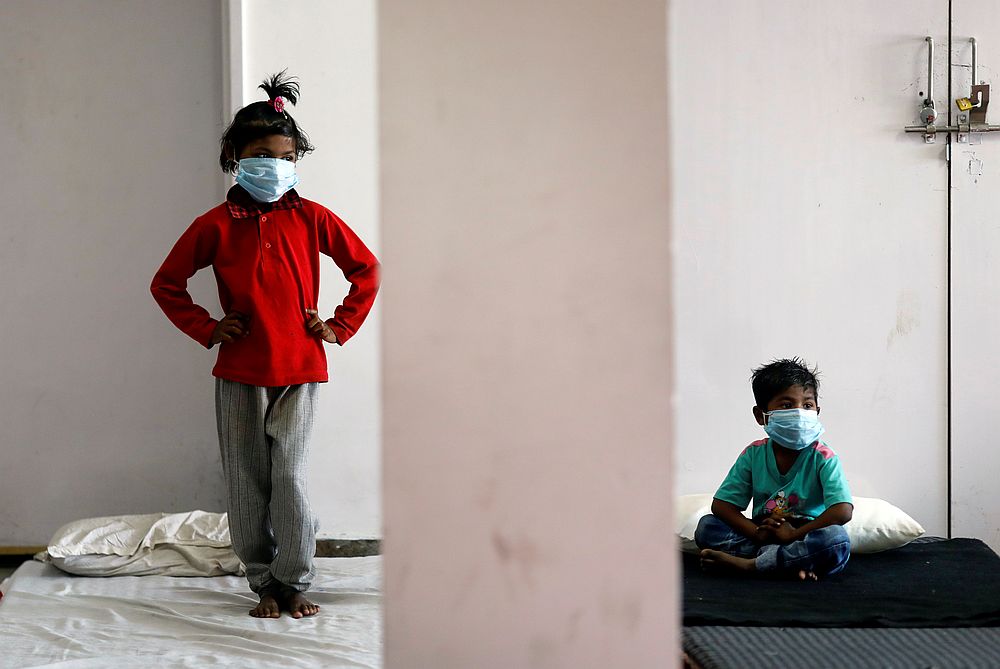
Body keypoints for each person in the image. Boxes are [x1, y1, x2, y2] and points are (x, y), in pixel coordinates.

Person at [151, 71, 380, 618]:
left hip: (301, 368)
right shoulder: (214, 225)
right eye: (261, 155)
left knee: (290, 477)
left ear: (297, 159)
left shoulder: (313, 218)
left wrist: (339, 325)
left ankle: (294, 579)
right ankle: (262, 582)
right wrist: (209, 327)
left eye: (285, 157)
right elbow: (167, 283)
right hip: (238, 373)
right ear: (235, 156)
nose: (274, 166)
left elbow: (366, 270)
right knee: (246, 482)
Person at [695, 358, 853, 580]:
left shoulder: (824, 456)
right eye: (787, 405)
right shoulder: (754, 454)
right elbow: (722, 506)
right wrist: (756, 533)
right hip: (764, 534)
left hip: (805, 535)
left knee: (836, 540)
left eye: (807, 405)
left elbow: (842, 510)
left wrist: (793, 534)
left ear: (817, 411)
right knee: (707, 527)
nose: (799, 413)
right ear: (761, 416)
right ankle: (787, 563)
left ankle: (752, 565)